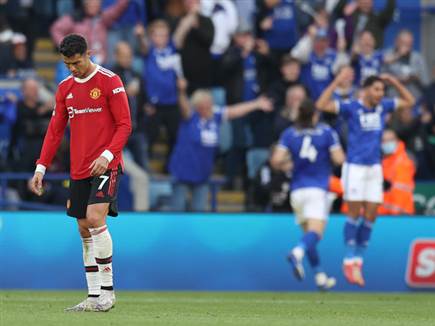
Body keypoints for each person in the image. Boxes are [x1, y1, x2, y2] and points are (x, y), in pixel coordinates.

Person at [29, 34, 132, 311]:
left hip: (106, 164)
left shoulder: (110, 81)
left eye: (75, 62)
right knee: (83, 227)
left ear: (88, 53)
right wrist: (41, 167)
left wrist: (108, 155)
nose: (72, 68)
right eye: (67, 64)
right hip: (78, 168)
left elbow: (125, 125)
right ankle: (93, 295)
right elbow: (54, 131)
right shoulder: (64, 88)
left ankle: (109, 293)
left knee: (95, 218)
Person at [316, 67, 415, 286]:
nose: (380, 93)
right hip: (355, 168)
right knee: (354, 212)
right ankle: (348, 259)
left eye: (382, 89)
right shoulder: (352, 107)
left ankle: (358, 262)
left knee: (371, 215)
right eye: (377, 89)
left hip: (374, 168)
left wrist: (395, 81)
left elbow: (409, 101)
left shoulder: (383, 107)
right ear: (366, 90)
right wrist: (336, 81)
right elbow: (321, 105)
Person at [271, 98, 345, 290]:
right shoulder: (327, 132)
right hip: (317, 188)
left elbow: (275, 160)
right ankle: (297, 253)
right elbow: (339, 159)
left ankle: (320, 277)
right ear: (315, 114)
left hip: (297, 191)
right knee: (316, 233)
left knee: (308, 235)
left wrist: (292, 162)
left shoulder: (289, 134)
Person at [169, 79, 272, 211]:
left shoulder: (215, 116)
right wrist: (181, 91)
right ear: (198, 106)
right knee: (177, 210)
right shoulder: (191, 116)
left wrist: (256, 104)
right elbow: (183, 105)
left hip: (202, 175)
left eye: (210, 104)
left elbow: (235, 111)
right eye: (205, 105)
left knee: (199, 212)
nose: (208, 107)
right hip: (182, 172)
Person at [136, 19, 183, 167]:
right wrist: (140, 36)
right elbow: (143, 45)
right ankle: (144, 165)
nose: (161, 38)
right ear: (152, 37)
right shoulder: (149, 51)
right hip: (154, 103)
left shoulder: (172, 49)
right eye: (158, 35)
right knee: (150, 136)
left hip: (172, 101)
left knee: (175, 136)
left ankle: (169, 166)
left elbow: (181, 33)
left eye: (164, 35)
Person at [50, 0, 129, 65]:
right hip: (80, 61)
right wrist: (68, 48)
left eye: (96, 3)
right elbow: (56, 29)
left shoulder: (102, 19)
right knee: (64, 65)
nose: (93, 5)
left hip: (102, 63)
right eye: (90, 3)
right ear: (85, 4)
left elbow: (117, 9)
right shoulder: (75, 18)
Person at [378, 129, 415, 215]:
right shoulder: (384, 160)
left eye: (390, 140)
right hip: (385, 214)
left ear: (397, 141)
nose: (387, 143)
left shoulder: (403, 161)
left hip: (400, 215)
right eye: (384, 141)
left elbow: (400, 194)